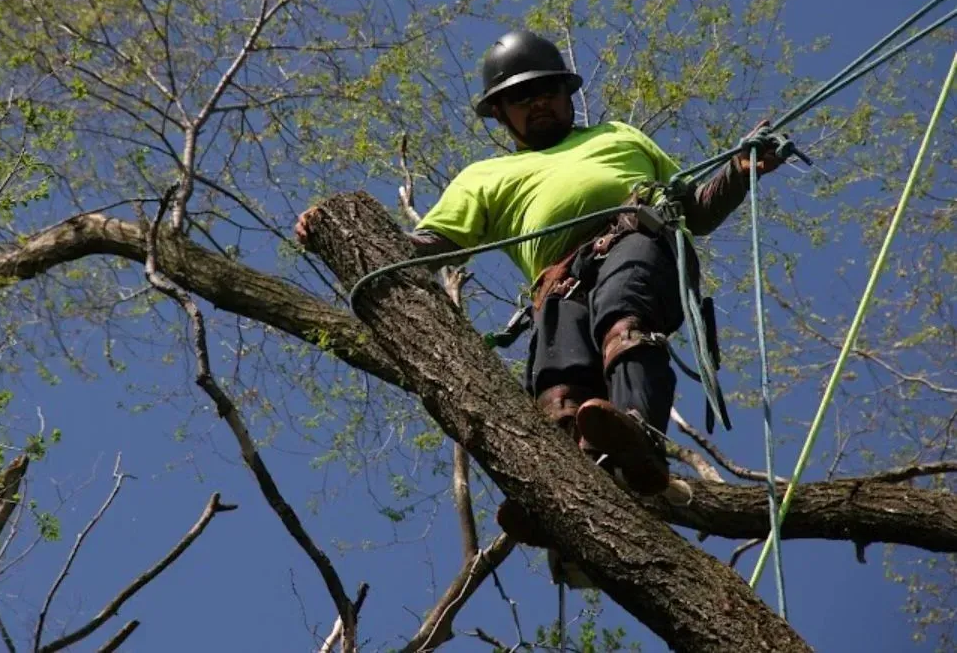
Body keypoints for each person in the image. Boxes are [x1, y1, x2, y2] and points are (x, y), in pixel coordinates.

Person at [296, 30, 783, 544]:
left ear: (567, 94)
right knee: (558, 380)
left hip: (637, 240)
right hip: (558, 282)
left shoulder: (618, 134)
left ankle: (638, 434)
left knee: (623, 317)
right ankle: (558, 495)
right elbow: (433, 244)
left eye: (546, 91)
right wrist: (342, 234)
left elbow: (695, 209)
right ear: (501, 115)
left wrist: (738, 169)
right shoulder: (485, 177)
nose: (537, 104)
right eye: (520, 98)